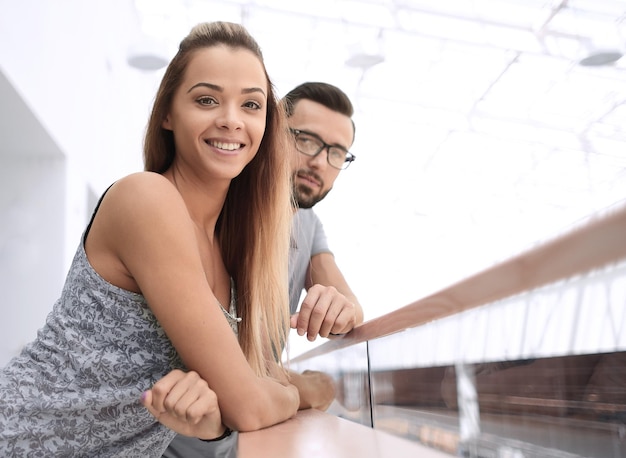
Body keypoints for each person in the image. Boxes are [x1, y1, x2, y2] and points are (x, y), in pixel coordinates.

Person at [0, 21, 300, 456]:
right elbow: (251, 405)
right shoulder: (147, 198)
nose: (231, 120)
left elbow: (245, 390)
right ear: (167, 114)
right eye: (206, 99)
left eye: (251, 105)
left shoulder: (230, 250)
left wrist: (225, 412)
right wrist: (300, 395)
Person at [162, 82, 364, 457]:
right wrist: (307, 388)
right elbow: (244, 385)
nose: (320, 161)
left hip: (232, 444)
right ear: (273, 134)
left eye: (337, 153)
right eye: (306, 140)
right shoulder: (218, 207)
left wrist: (340, 306)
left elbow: (349, 304)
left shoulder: (308, 223)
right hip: (163, 442)